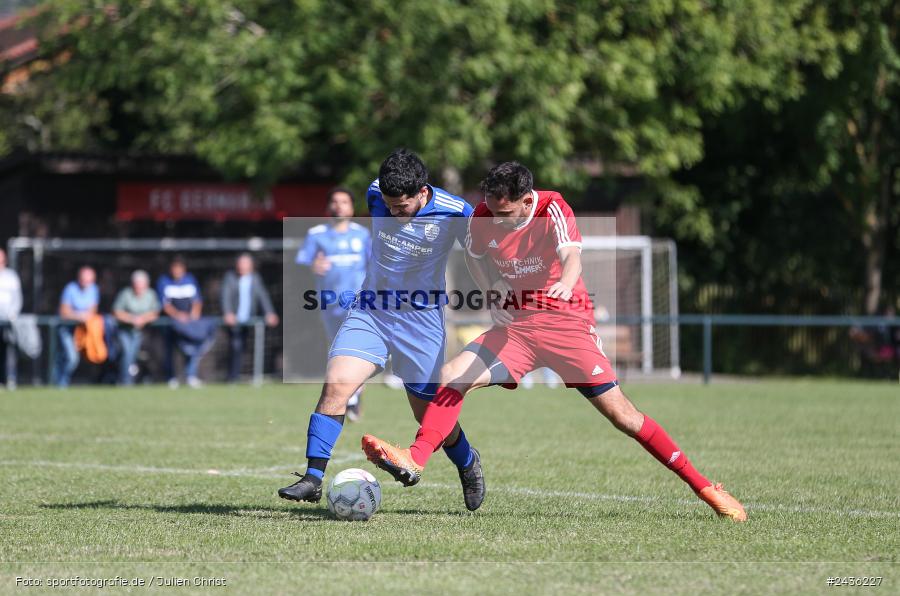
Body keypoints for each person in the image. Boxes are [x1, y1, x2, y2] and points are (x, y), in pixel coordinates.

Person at [362, 161, 747, 522]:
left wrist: (565, 282)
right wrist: (492, 287)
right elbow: (475, 257)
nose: (496, 219)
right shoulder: (482, 216)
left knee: (624, 417)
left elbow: (571, 255)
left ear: (527, 201)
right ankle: (415, 459)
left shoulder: (552, 208)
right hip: (517, 330)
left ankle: (704, 487)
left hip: (567, 328)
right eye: (492, 210)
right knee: (450, 377)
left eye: (505, 212)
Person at [277, 149, 486, 511]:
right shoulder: (376, 191)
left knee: (427, 414)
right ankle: (312, 478)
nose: (393, 213)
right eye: (388, 207)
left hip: (421, 321)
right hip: (372, 310)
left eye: (401, 207)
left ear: (423, 192)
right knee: (337, 383)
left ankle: (467, 461)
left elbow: (481, 253)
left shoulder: (456, 212)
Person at [295, 187, 370, 418]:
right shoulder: (316, 234)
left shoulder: (362, 235)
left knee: (357, 349)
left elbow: (375, 265)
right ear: (329, 206)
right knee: (337, 351)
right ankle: (350, 395)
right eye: (335, 202)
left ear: (352, 207)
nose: (339, 206)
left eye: (344, 202)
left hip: (357, 302)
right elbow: (301, 264)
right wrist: (312, 266)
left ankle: (352, 397)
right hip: (329, 302)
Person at [221, 253, 279, 382]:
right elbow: (225, 296)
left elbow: (263, 297)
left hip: (249, 320)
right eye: (240, 263)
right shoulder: (230, 278)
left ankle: (247, 375)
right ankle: (232, 377)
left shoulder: (255, 279)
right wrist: (228, 312)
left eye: (245, 264)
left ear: (251, 266)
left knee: (248, 346)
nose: (242, 266)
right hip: (234, 320)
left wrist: (270, 312)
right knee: (235, 345)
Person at [157, 257, 211, 388]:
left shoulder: (190, 280)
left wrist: (193, 315)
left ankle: (190, 376)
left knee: (191, 348)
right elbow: (165, 305)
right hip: (171, 323)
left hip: (189, 323)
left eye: (179, 268)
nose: (176, 271)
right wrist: (178, 315)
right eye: (174, 268)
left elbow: (197, 301)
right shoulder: (163, 281)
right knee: (170, 351)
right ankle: (171, 377)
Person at [53, 266, 99, 387]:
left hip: (82, 330)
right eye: (83, 280)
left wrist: (82, 316)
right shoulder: (70, 289)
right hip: (66, 328)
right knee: (71, 358)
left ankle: (60, 383)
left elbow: (92, 311)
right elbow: (64, 312)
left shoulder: (93, 289)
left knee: (69, 358)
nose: (86, 283)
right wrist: (79, 316)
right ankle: (60, 383)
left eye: (89, 281)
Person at [112, 270, 160, 385]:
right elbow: (116, 312)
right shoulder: (125, 294)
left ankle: (130, 378)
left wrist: (142, 319)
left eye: (141, 285)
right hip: (124, 330)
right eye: (136, 285)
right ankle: (125, 379)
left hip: (142, 332)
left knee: (134, 354)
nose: (139, 288)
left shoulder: (151, 294)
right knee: (127, 352)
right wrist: (132, 319)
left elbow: (155, 312)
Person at [0, 249, 23, 388]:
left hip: (8, 321)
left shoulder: (11, 277)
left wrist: (12, 315)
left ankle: (9, 378)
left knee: (8, 351)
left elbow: (17, 299)